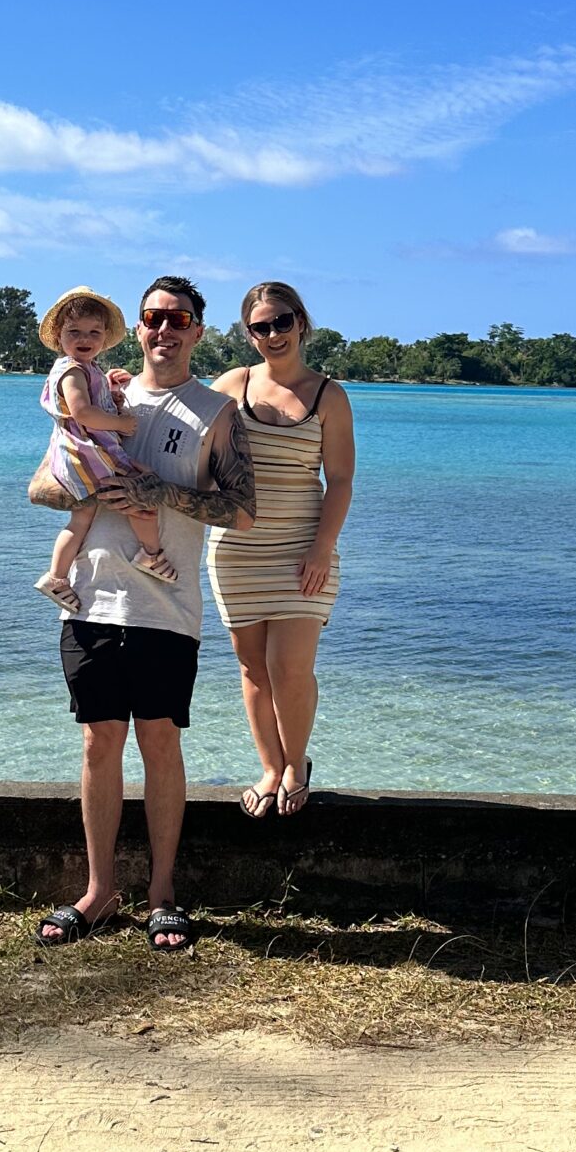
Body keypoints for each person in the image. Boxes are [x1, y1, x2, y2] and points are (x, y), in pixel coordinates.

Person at [31, 275, 256, 955]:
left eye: (177, 318)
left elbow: (242, 511)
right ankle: (99, 894)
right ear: (140, 326)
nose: (164, 328)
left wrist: (163, 492)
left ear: (197, 330)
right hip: (91, 598)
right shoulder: (101, 391)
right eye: (153, 316)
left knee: (159, 742)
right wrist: (96, 486)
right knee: (100, 743)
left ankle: (162, 895)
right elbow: (43, 485)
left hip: (168, 607)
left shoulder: (215, 412)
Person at [207, 280, 354, 821]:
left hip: (303, 549)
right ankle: (269, 767)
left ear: (301, 322)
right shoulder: (232, 385)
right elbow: (174, 422)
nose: (273, 334)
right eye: (261, 327)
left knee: (291, 668)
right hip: (236, 551)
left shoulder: (328, 395)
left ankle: (297, 764)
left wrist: (322, 548)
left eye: (282, 322)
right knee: (252, 670)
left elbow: (339, 480)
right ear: (249, 334)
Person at [32, 286, 176, 609]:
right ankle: (151, 555)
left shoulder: (86, 369)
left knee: (80, 520)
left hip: (80, 454)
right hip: (86, 454)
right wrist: (122, 424)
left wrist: (110, 385)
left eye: (94, 332)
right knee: (141, 496)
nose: (85, 338)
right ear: (59, 335)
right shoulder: (70, 371)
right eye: (75, 332)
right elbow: (83, 412)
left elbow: (94, 399)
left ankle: (57, 577)